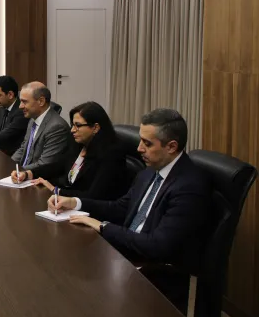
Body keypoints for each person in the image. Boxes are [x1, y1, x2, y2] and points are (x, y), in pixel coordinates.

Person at [48, 108, 211, 275]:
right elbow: (121, 207)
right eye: (140, 140)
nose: (139, 148)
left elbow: (157, 246)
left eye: (147, 143)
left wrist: (103, 226)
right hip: (125, 251)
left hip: (151, 269)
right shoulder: (150, 170)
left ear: (171, 146)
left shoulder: (189, 187)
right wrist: (75, 202)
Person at [33, 101, 132, 199]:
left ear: (95, 128)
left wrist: (56, 190)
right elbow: (58, 166)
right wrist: (30, 173)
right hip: (67, 201)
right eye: (73, 125)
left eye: (78, 125)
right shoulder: (79, 143)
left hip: (90, 207)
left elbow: (94, 195)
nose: (72, 130)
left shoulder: (111, 153)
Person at [11, 82, 74, 182]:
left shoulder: (57, 127)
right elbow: (23, 148)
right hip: (24, 176)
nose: (20, 106)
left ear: (41, 101)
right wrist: (9, 165)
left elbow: (45, 163)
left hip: (41, 181)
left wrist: (21, 171)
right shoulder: (33, 119)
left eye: (24, 102)